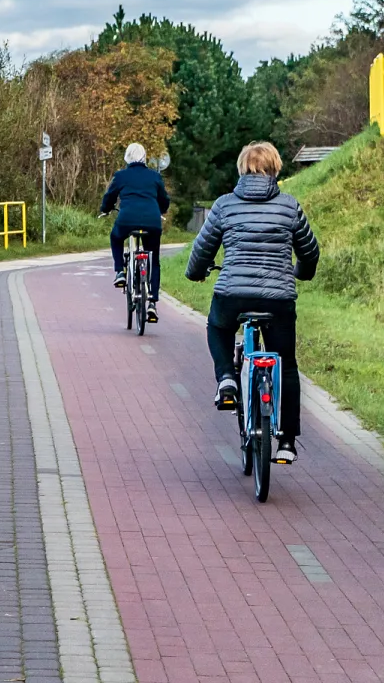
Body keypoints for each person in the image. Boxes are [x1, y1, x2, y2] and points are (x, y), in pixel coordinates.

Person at [184, 141, 319, 464]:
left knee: (218, 328)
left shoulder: (224, 205)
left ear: (242, 169)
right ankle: (287, 442)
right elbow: (309, 251)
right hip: (279, 299)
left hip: (233, 294)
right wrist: (301, 272)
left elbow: (202, 249)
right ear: (275, 169)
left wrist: (196, 273)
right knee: (286, 364)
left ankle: (227, 379)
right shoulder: (289, 206)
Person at [99, 143, 170, 323]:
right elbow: (164, 199)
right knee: (154, 260)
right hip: (152, 221)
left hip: (127, 220)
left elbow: (110, 196)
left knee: (116, 238)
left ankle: (120, 272)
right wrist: (161, 210)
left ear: (127, 158)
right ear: (144, 158)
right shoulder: (155, 176)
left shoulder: (121, 176)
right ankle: (152, 302)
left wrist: (105, 209)